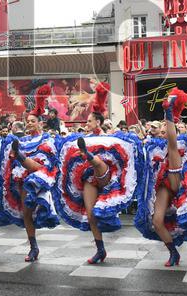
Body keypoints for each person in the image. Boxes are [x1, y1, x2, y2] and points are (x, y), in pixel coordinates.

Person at [54, 81, 139, 265]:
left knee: (99, 163)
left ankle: (90, 156)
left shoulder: (111, 137)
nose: (87, 123)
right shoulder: (83, 137)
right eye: (87, 121)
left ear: (98, 122)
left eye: (90, 121)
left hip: (107, 176)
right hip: (89, 179)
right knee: (91, 214)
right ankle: (100, 250)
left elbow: (123, 153)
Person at [134, 89, 187, 267]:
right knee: (157, 221)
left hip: (178, 177)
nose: (164, 128)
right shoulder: (151, 144)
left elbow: (172, 142)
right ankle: (173, 252)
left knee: (172, 148)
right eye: (163, 126)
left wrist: (168, 112)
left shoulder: (180, 141)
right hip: (163, 184)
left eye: (167, 125)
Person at [0, 85, 58, 261]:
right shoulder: (22, 140)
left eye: (32, 121)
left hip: (39, 180)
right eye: (27, 121)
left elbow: (43, 165)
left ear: (40, 123)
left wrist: (19, 156)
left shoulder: (46, 140)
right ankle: (33, 247)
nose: (29, 123)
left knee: (32, 212)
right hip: (22, 181)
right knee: (26, 214)